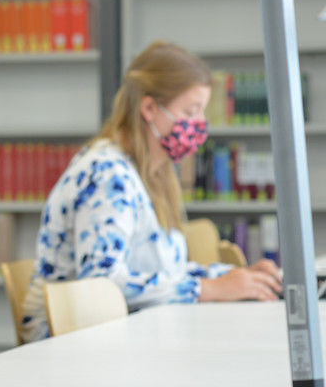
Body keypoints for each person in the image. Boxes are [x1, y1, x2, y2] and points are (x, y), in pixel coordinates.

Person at [19, 41, 282, 343]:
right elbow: (101, 282)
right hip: (68, 341)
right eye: (190, 111)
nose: (199, 125)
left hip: (118, 333)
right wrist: (209, 289)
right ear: (149, 108)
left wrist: (233, 277)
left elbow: (162, 271)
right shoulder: (107, 174)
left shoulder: (150, 173)